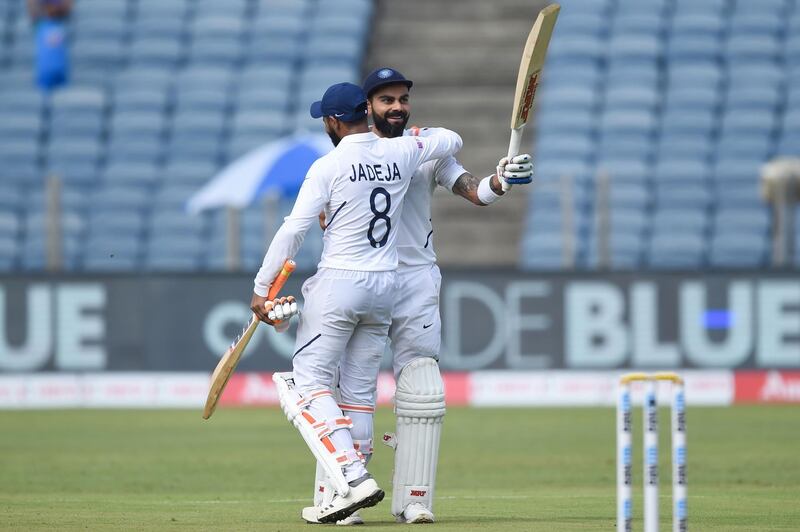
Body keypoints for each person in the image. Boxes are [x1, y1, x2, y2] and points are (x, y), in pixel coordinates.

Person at [303, 68, 534, 525]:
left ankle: (413, 499)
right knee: (352, 391)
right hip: (367, 279)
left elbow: (475, 193)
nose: (398, 107)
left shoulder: (424, 147)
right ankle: (342, 496)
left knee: (422, 388)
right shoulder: (349, 156)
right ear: (365, 107)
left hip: (415, 281)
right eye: (387, 100)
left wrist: (502, 180)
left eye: (403, 99)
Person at [250, 82, 463, 524]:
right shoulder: (403, 152)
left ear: (331, 121)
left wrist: (261, 287)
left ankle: (352, 475)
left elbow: (294, 230)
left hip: (341, 281)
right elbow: (452, 140)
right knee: (359, 394)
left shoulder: (328, 164)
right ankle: (344, 506)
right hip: (385, 285)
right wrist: (421, 135)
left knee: (308, 385)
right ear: (366, 111)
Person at [27, 0, 72, 91]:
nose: (51, 8)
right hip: (45, 69)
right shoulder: (39, 24)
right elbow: (31, 7)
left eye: (54, 6)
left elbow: (68, 5)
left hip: (60, 69)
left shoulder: (62, 23)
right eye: (48, 6)